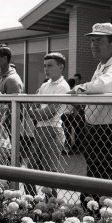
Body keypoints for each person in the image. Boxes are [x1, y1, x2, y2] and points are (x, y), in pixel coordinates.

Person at [68, 22, 112, 205]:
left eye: (99, 41)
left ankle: (103, 217)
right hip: (94, 131)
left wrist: (79, 88)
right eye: (92, 40)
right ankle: (96, 216)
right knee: (95, 179)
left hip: (110, 132)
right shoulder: (101, 65)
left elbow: (103, 85)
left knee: (103, 182)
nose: (93, 45)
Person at [27, 52, 70, 196]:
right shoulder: (45, 85)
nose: (46, 69)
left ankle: (51, 208)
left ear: (61, 67)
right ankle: (32, 202)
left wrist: (36, 112)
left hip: (53, 131)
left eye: (50, 66)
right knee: (28, 172)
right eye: (45, 66)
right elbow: (33, 109)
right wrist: (37, 112)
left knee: (49, 175)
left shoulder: (63, 86)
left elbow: (48, 113)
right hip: (39, 131)